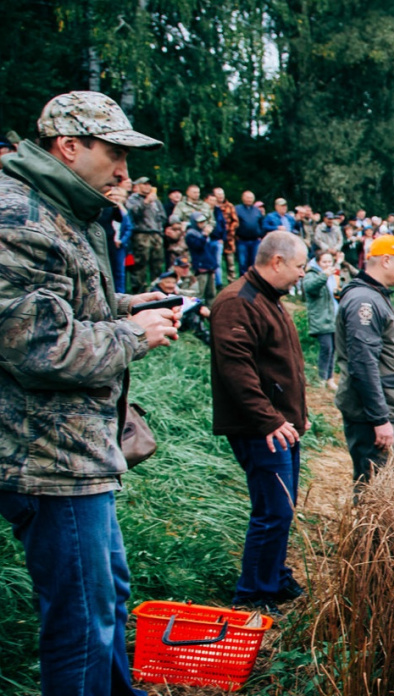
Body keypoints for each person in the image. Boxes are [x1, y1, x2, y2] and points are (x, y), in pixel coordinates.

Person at [0, 90, 178, 696]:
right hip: (48, 458)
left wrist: (132, 304)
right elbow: (38, 347)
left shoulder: (62, 209)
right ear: (68, 146)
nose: (126, 172)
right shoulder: (19, 217)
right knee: (80, 624)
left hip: (79, 450)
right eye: (114, 153)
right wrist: (132, 333)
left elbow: (64, 304)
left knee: (109, 598)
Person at [209, 231, 309, 614]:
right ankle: (253, 593)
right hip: (259, 430)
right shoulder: (238, 302)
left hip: (281, 426)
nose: (303, 273)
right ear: (277, 262)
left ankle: (275, 577)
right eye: (299, 266)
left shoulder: (270, 299)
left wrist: (298, 416)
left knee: (283, 506)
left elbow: (281, 367)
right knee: (272, 511)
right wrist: (269, 421)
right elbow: (237, 372)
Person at [335, 235, 394, 485]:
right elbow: (362, 364)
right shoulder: (365, 300)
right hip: (375, 414)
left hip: (384, 408)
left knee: (387, 485)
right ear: (386, 260)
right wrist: (380, 419)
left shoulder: (373, 295)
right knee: (377, 487)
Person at [303, 248, 341, 389]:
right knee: (326, 347)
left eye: (329, 261)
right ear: (318, 262)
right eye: (324, 261)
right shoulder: (312, 274)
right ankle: (321, 378)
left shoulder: (331, 275)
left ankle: (329, 378)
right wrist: (324, 275)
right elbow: (310, 287)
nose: (327, 264)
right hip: (321, 317)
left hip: (333, 317)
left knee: (333, 349)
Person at [126, 177, 167, 290]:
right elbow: (133, 213)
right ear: (137, 186)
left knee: (158, 264)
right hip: (141, 234)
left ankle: (157, 289)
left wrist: (159, 227)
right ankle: (139, 290)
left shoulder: (156, 201)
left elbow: (163, 216)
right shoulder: (133, 199)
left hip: (156, 234)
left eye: (149, 184)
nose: (147, 186)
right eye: (144, 184)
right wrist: (146, 202)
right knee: (140, 265)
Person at [98, 179, 133, 294]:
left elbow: (123, 221)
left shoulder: (116, 208)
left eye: (117, 195)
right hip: (102, 242)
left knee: (118, 271)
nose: (114, 197)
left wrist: (117, 207)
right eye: (112, 195)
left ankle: (119, 294)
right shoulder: (101, 207)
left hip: (115, 243)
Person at [184, 211, 221, 303]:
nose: (202, 224)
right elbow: (197, 247)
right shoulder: (190, 234)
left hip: (209, 266)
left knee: (211, 293)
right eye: (200, 222)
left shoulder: (203, 233)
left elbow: (209, 250)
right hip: (201, 267)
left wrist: (214, 265)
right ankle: (196, 314)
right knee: (199, 293)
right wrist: (205, 235)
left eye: (203, 221)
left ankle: (210, 312)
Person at [233, 190, 264, 276]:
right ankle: (242, 282)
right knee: (242, 262)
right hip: (242, 240)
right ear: (243, 198)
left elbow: (261, 223)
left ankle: (253, 281)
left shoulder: (257, 210)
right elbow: (233, 223)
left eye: (251, 198)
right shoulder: (237, 209)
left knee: (254, 262)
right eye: (247, 197)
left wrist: (261, 235)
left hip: (255, 241)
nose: (249, 199)